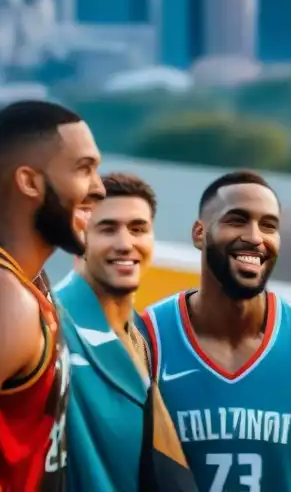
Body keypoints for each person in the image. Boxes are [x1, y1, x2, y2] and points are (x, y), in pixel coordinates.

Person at [142, 170, 291, 491]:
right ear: (200, 233)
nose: (256, 237)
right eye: (237, 220)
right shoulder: (145, 342)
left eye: (269, 225)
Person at [0, 100, 104, 491]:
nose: (99, 188)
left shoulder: (29, 282)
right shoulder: (0, 299)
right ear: (30, 182)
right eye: (84, 169)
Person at [55, 171, 196, 491]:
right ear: (80, 237)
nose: (125, 243)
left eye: (138, 229)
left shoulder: (145, 337)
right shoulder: (50, 325)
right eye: (107, 228)